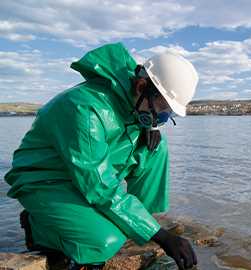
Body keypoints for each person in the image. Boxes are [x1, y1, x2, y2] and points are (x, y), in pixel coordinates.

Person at [4, 43, 199, 270]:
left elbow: (125, 135)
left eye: (169, 113)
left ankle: (140, 219)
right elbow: (99, 185)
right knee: (105, 241)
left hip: (82, 175)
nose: (163, 117)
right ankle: (39, 227)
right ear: (141, 85)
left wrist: (151, 125)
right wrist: (162, 237)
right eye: (162, 107)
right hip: (47, 180)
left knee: (156, 147)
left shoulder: (132, 101)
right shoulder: (84, 109)